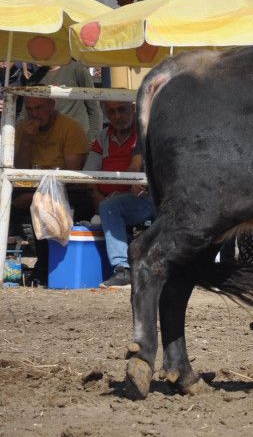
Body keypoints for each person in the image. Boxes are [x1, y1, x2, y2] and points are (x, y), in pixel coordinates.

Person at [10, 96, 91, 286]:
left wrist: (36, 195)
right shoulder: (23, 129)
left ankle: (44, 268)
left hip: (67, 189)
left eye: (39, 107)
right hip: (30, 185)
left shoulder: (70, 127)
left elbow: (72, 174)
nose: (34, 113)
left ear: (51, 105)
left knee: (41, 204)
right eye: (30, 108)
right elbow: (20, 169)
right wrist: (28, 141)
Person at [88, 101, 153, 288]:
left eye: (121, 110)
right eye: (111, 112)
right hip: (123, 199)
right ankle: (122, 269)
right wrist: (96, 194)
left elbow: (134, 166)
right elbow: (88, 172)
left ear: (133, 109)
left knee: (111, 206)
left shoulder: (144, 132)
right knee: (107, 206)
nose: (117, 116)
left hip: (152, 196)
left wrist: (133, 182)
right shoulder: (103, 137)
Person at [38, 60, 102, 142]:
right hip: (50, 143)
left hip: (78, 140)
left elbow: (94, 107)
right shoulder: (36, 78)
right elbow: (25, 115)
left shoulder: (77, 69)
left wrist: (91, 140)